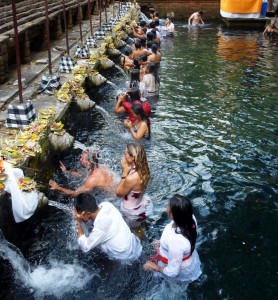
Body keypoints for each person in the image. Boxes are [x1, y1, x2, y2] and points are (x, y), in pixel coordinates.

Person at [143, 194, 202, 282]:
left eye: (168, 206)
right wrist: (162, 244)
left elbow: (172, 272)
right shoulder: (190, 218)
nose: (166, 208)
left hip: (178, 268)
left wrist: (155, 267)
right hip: (185, 258)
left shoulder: (176, 240)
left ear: (173, 215)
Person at [74, 193, 142, 261]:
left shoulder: (101, 227)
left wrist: (78, 222)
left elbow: (85, 247)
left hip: (125, 256)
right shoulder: (106, 205)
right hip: (133, 242)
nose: (77, 215)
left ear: (88, 214)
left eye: (78, 213)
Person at [49, 150, 115, 197]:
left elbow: (75, 194)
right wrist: (67, 171)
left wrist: (58, 188)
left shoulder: (92, 180)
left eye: (82, 158)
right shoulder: (101, 167)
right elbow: (82, 175)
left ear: (89, 162)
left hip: (115, 198)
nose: (80, 159)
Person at [116, 143, 151, 223]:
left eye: (125, 154)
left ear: (132, 158)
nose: (123, 156)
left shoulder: (131, 177)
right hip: (140, 205)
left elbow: (118, 194)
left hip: (130, 213)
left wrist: (124, 172)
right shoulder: (145, 170)